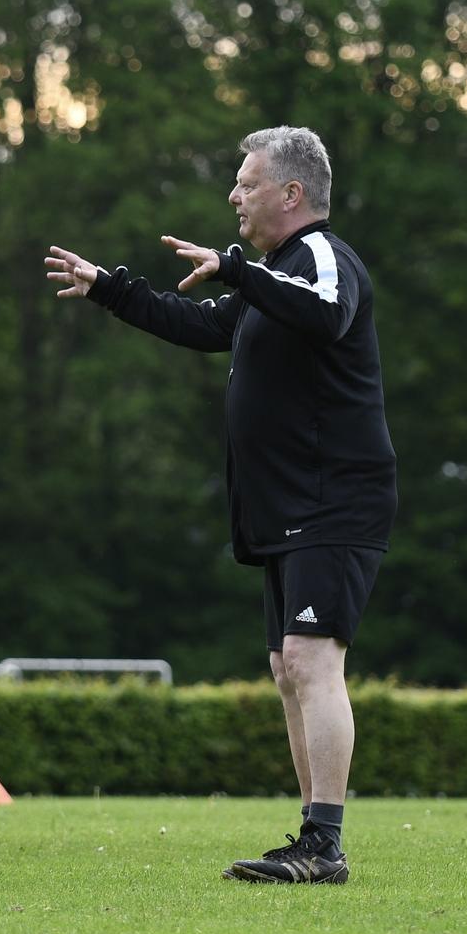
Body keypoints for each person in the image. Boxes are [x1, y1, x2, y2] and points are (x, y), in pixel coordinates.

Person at [44, 126, 396, 885]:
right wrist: (111, 288)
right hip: (284, 509)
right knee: (286, 666)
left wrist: (238, 271)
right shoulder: (266, 279)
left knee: (311, 659)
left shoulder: (323, 260)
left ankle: (324, 844)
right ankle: (312, 837)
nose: (233, 195)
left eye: (246, 183)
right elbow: (203, 325)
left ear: (292, 194)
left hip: (335, 498)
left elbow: (326, 311)